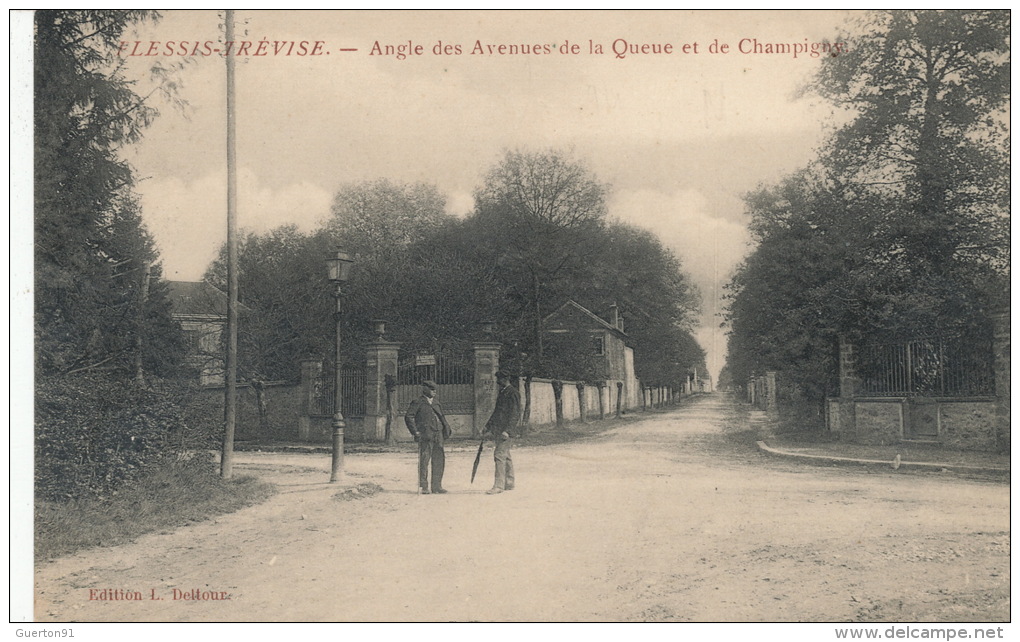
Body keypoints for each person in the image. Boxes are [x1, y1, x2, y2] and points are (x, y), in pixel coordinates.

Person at [404, 380, 452, 494]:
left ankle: (437, 486)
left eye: (435, 389)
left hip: (438, 435)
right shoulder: (417, 402)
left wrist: (446, 429)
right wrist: (415, 432)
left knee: (439, 460)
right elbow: (408, 417)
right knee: (424, 460)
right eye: (431, 389)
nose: (434, 392)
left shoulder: (436, 402)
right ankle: (424, 486)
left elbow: (442, 417)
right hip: (425, 435)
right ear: (424, 389)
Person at [483, 371, 522, 494]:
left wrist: (508, 431)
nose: (497, 381)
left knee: (499, 455)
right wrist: (487, 426)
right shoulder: (503, 392)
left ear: (506, 378)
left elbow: (515, 413)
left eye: (499, 378)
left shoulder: (513, 393)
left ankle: (498, 486)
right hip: (499, 430)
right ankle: (509, 482)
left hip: (505, 431)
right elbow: (497, 412)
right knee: (506, 455)